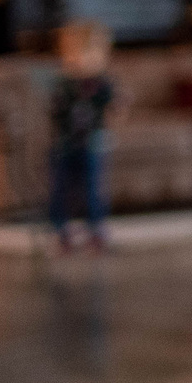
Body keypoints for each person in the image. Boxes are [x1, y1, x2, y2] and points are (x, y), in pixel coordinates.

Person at [47, 20, 116, 253]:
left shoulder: (102, 85)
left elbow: (114, 105)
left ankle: (95, 229)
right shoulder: (64, 84)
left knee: (92, 188)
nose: (83, 59)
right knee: (62, 188)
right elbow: (55, 111)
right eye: (77, 53)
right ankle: (62, 231)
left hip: (92, 145)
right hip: (65, 145)